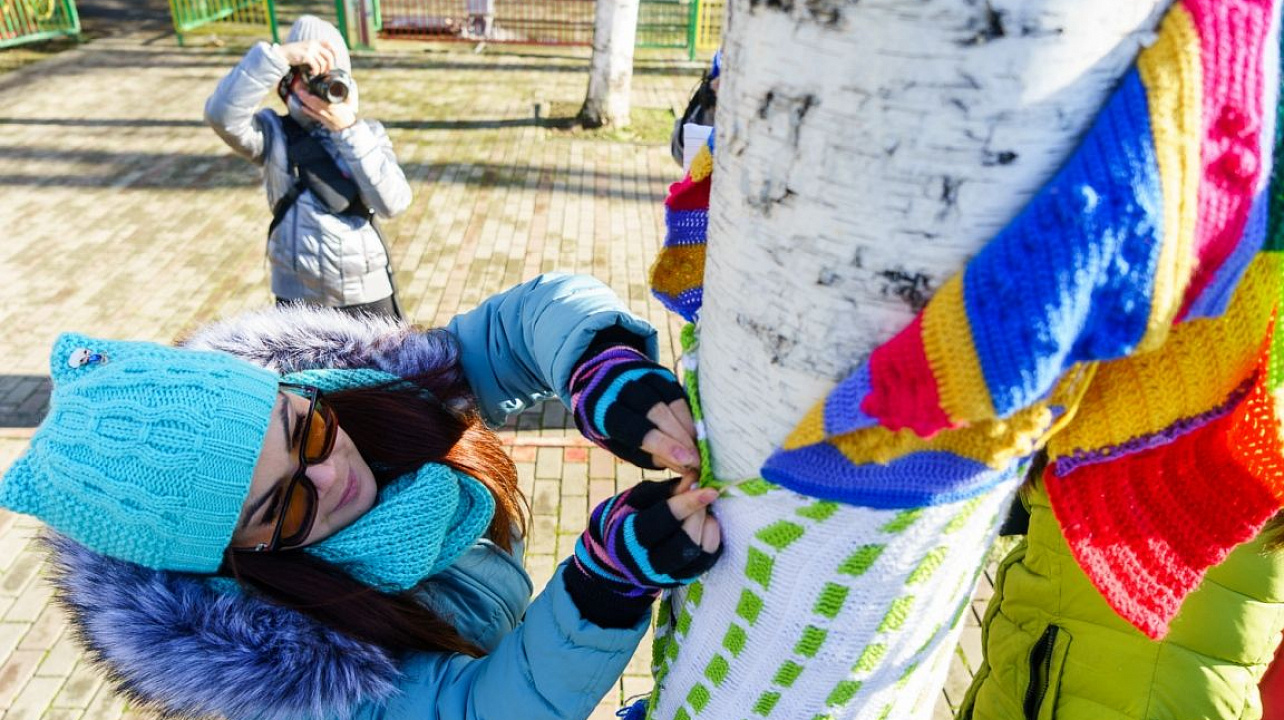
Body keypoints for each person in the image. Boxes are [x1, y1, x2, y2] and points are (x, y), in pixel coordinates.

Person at [0, 273, 722, 720]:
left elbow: (520, 324)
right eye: (278, 506)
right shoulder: (297, 679)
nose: (329, 473)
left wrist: (597, 364)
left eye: (302, 428)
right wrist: (600, 591)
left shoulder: (371, 392)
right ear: (231, 559)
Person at [205, 15, 411, 319]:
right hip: (297, 297)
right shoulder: (272, 133)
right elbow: (221, 115)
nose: (319, 89)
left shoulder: (368, 133)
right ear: (288, 82)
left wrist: (348, 131)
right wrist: (278, 56)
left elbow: (393, 203)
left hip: (366, 293)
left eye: (328, 79)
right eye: (308, 77)